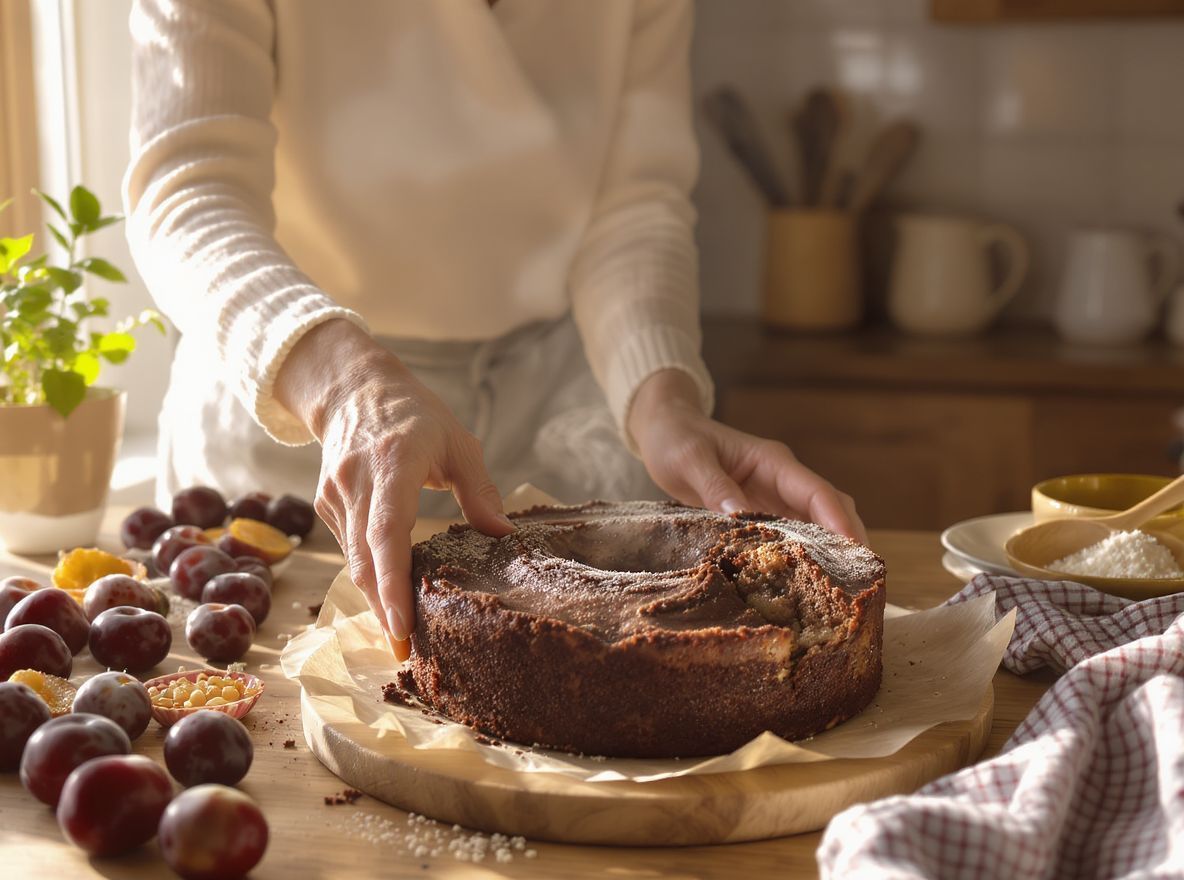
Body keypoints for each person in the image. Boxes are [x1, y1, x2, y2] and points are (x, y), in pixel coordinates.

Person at [124, 0, 865, 658]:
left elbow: (634, 204)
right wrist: (348, 381)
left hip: (560, 397)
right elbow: (187, 189)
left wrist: (660, 402)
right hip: (305, 403)